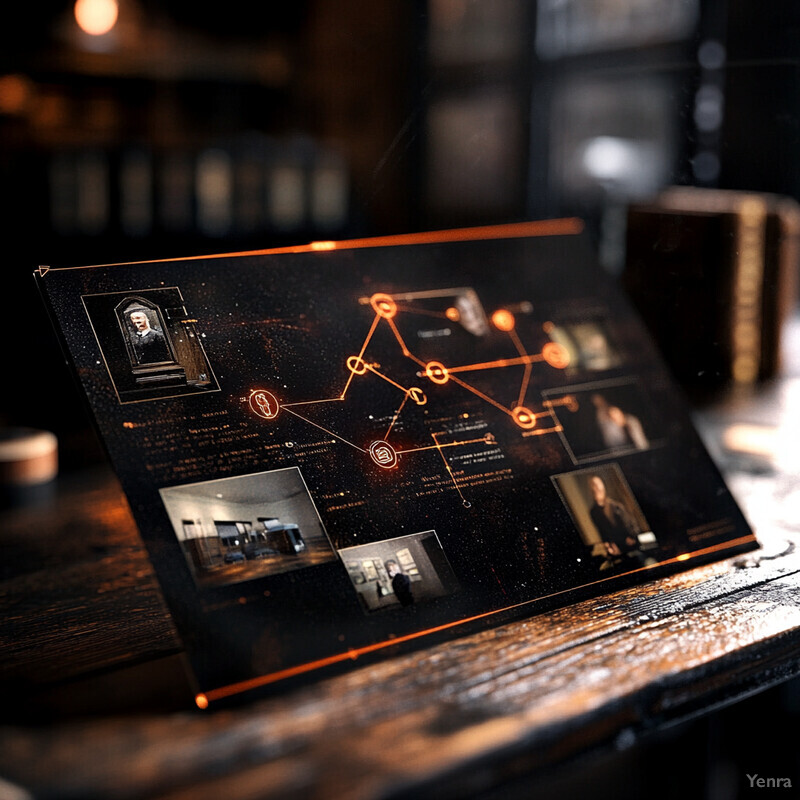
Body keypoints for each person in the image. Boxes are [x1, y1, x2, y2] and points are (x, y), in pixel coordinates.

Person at [587, 474, 641, 560]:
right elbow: (602, 532)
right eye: (594, 485)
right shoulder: (593, 512)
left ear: (603, 486)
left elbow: (632, 524)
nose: (597, 488)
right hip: (617, 550)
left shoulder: (616, 506)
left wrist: (632, 537)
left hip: (632, 545)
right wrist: (609, 546)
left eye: (598, 484)